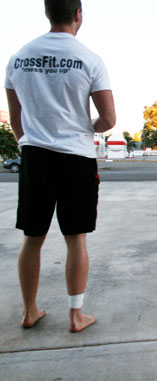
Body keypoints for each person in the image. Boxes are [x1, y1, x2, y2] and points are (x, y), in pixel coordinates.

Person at [5, 0, 116, 331]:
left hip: (35, 156)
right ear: (78, 14)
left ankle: (29, 311)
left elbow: (16, 120)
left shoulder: (18, 58)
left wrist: (33, 140)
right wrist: (86, 127)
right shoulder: (90, 59)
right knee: (75, 238)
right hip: (75, 158)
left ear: (47, 12)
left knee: (32, 237)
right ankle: (75, 315)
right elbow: (108, 119)